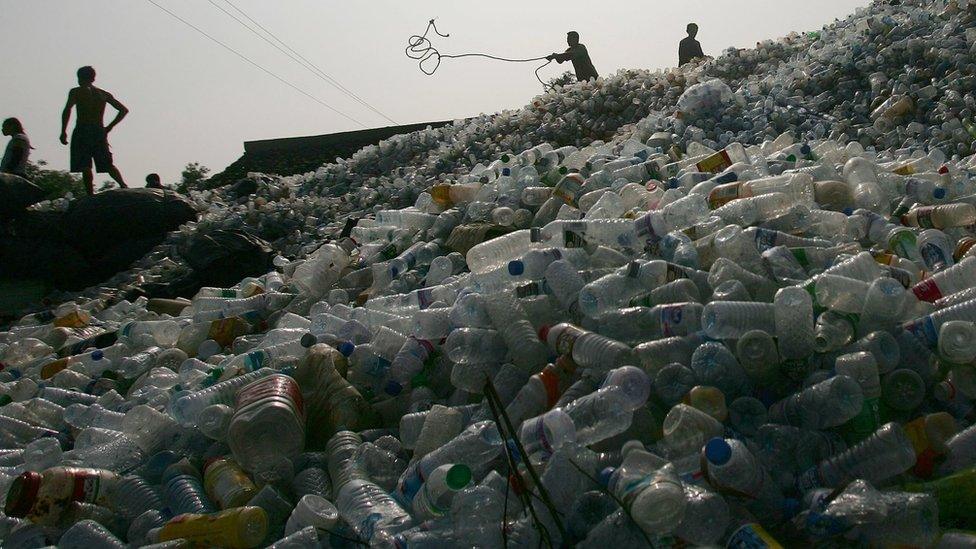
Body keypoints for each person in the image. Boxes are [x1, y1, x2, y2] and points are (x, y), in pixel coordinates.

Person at [60, 66, 128, 195]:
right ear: (93, 78)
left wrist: (63, 131)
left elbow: (67, 110)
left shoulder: (76, 92)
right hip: (98, 131)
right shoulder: (102, 94)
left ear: (80, 78)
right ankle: (123, 185)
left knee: (85, 165)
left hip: (82, 130)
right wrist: (109, 127)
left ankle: (90, 194)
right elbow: (123, 110)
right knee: (108, 164)